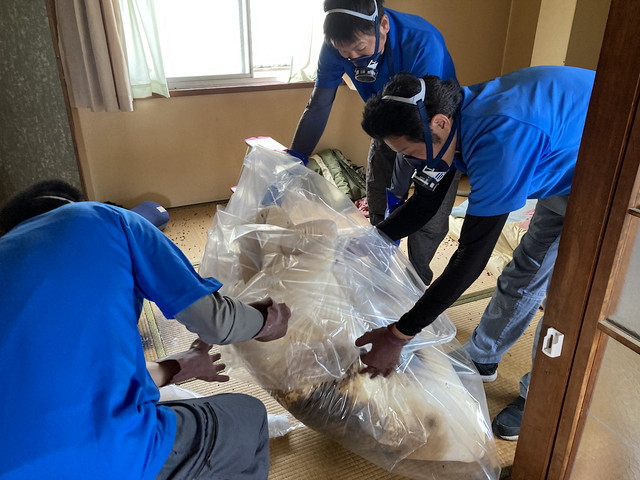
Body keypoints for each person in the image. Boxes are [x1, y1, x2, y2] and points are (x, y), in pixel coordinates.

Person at [357, 65, 596, 440]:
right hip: (564, 164)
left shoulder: (499, 139)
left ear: (438, 124)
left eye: (408, 152)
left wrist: (398, 335)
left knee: (573, 301)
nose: (411, 161)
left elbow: (470, 256)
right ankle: (483, 356)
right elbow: (425, 203)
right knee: (525, 270)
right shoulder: (450, 119)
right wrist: (372, 240)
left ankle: (544, 398)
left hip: (613, 176)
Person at [0, 180, 291, 479]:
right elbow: (216, 322)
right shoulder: (102, 219)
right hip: (111, 456)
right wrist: (267, 322)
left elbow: (78, 385)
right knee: (249, 415)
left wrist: (180, 366)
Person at [290, 0, 461, 285]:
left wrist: (400, 190)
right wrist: (294, 159)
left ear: (383, 25)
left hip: (429, 129)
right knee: (379, 194)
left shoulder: (421, 41)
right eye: (345, 53)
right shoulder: (337, 45)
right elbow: (318, 105)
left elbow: (417, 127)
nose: (353, 58)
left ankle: (415, 281)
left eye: (360, 48)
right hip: (386, 125)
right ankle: (379, 271)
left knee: (428, 213)